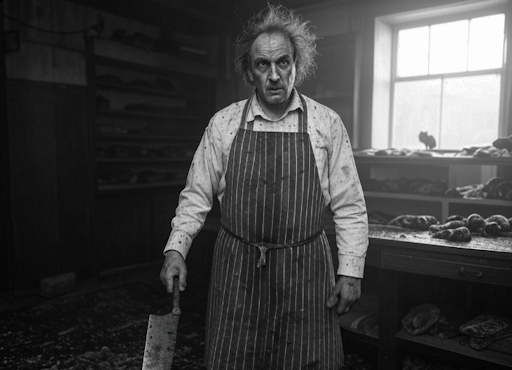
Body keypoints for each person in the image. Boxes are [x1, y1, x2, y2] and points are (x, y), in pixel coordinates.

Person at [160, 4, 368, 369]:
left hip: (305, 273)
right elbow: (196, 196)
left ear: (296, 65)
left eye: (283, 63)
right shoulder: (223, 124)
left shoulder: (326, 124)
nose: (274, 75)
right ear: (249, 71)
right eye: (263, 65)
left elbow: (349, 205)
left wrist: (350, 271)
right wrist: (175, 250)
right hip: (237, 273)